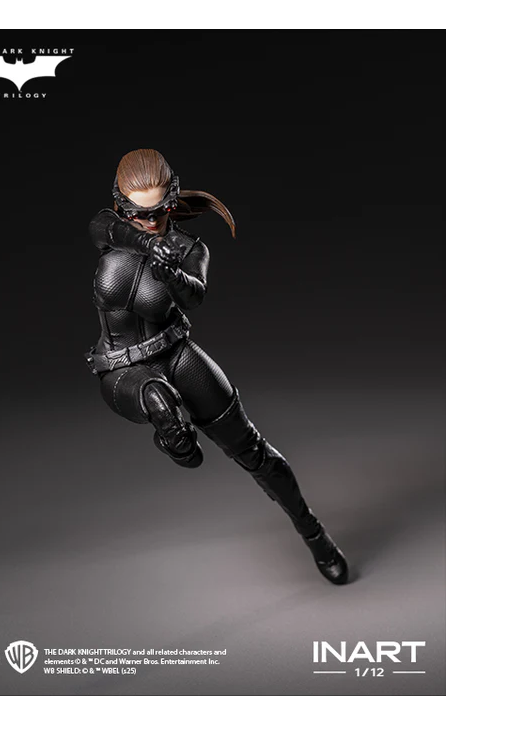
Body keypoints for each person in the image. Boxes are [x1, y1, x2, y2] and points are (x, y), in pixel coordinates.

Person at [84, 148, 349, 584]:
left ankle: (314, 533)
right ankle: (172, 433)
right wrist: (148, 243)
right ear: (120, 206)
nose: (149, 221)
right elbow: (101, 225)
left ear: (172, 200)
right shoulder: (111, 232)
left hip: (176, 353)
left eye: (159, 211)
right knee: (159, 400)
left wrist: (170, 272)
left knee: (255, 450)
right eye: (137, 213)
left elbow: (194, 297)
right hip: (122, 370)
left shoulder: (190, 249)